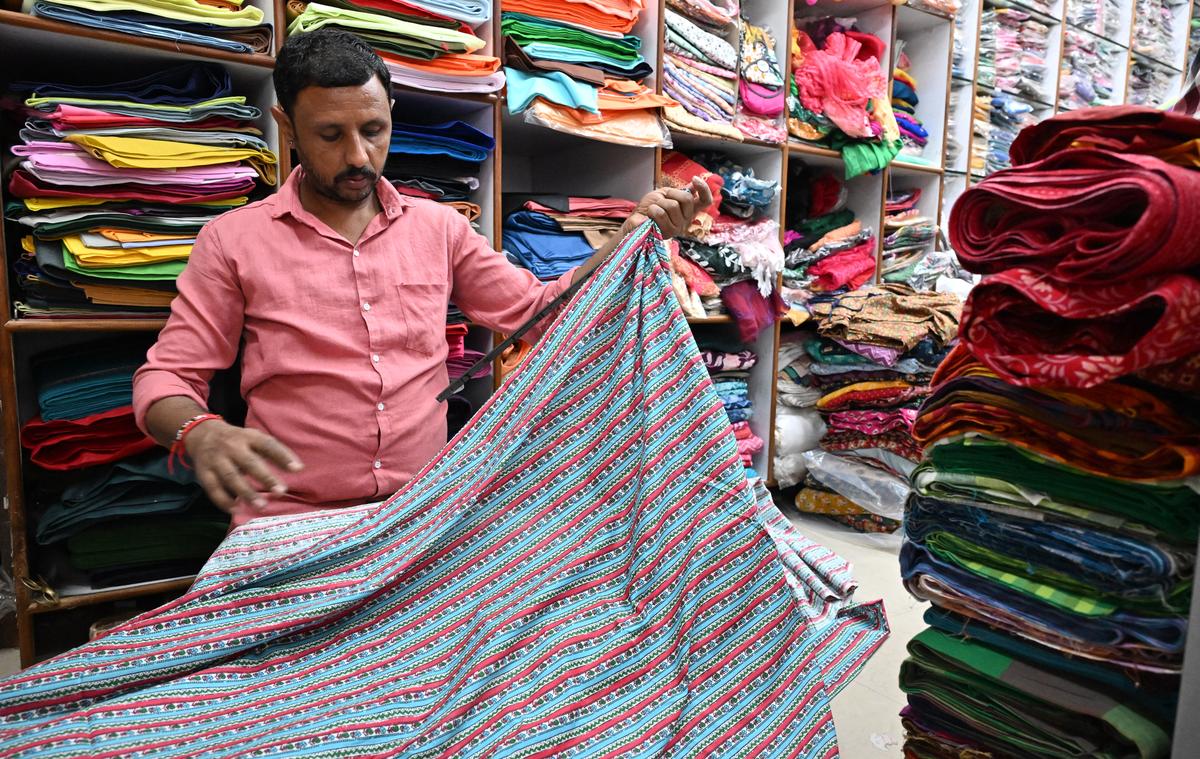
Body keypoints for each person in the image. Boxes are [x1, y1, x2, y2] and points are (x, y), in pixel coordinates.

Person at [132, 29, 713, 527]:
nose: (359, 155)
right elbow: (167, 377)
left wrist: (633, 236)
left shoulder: (440, 229)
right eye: (331, 135)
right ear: (287, 126)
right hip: (291, 519)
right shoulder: (234, 240)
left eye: (374, 129)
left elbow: (541, 313)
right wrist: (200, 432)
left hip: (422, 519)